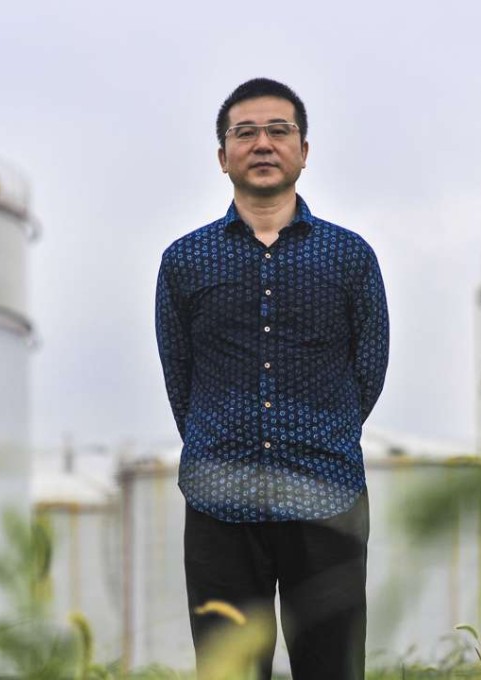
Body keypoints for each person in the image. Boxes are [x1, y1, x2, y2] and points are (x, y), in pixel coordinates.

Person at [155, 77, 389, 680]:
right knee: (229, 670)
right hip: (218, 497)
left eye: (279, 130)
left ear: (304, 151)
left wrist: (321, 431)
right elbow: (180, 377)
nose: (263, 143)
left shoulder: (349, 257)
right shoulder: (184, 261)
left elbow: (369, 369)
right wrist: (221, 436)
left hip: (327, 495)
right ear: (222, 155)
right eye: (246, 132)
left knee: (333, 668)